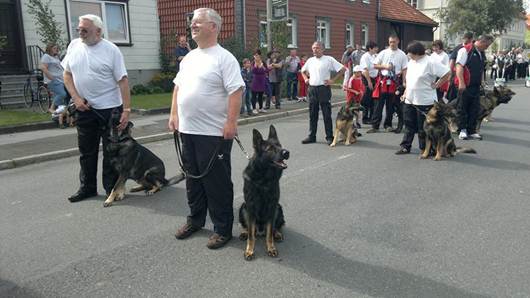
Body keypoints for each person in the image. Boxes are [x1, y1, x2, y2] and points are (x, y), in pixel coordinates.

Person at [168, 8, 244, 249]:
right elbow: (178, 87)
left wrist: (231, 122)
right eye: (192, 22)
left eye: (198, 22)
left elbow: (236, 91)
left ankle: (223, 229)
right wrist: (173, 114)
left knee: (216, 182)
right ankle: (196, 219)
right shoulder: (190, 58)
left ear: (213, 27)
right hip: (187, 130)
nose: (193, 25)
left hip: (213, 133)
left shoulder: (224, 58)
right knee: (193, 179)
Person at [62, 14, 130, 202]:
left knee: (111, 152)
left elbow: (123, 81)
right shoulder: (74, 46)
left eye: (85, 30)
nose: (81, 33)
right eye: (79, 29)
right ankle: (87, 188)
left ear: (98, 31)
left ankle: (112, 189)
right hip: (85, 109)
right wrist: (76, 98)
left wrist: (126, 110)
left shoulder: (111, 50)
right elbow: (67, 75)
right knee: (86, 152)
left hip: (110, 110)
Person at [395, 41, 450, 155]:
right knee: (408, 124)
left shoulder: (431, 61)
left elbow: (447, 73)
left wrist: (437, 84)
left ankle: (425, 148)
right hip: (410, 99)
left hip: (425, 100)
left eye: (410, 53)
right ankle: (405, 146)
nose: (409, 56)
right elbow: (409, 79)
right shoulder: (411, 62)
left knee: (422, 127)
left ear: (418, 53)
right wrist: (405, 92)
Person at [301, 41, 347, 145]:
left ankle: (329, 136)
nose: (315, 50)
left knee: (326, 114)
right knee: (313, 114)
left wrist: (333, 80)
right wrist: (305, 79)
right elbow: (302, 71)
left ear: (322, 49)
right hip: (312, 89)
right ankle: (312, 136)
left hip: (324, 89)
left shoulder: (328, 59)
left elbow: (343, 69)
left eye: (317, 48)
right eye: (313, 48)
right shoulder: (310, 60)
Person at [455, 34, 494, 141]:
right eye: (487, 45)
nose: (487, 47)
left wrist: (482, 81)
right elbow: (459, 67)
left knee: (474, 108)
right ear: (481, 42)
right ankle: (462, 130)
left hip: (476, 85)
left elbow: (481, 69)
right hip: (465, 85)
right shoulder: (465, 50)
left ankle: (471, 130)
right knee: (462, 108)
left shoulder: (481, 53)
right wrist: (461, 83)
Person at [368, 35, 408, 134]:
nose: (392, 44)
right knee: (378, 104)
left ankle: (388, 125)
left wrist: (404, 82)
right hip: (383, 80)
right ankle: (375, 125)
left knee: (391, 105)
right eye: (390, 42)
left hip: (395, 81)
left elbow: (404, 69)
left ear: (398, 41)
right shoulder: (383, 53)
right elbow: (375, 65)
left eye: (394, 42)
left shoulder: (402, 54)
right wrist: (385, 66)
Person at [40, 43, 68, 113]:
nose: (56, 50)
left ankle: (57, 109)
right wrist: (50, 77)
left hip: (61, 79)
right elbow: (43, 68)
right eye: (54, 48)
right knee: (62, 94)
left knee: (58, 94)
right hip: (53, 79)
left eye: (57, 48)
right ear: (50, 49)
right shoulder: (46, 56)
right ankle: (52, 108)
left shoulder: (55, 57)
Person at [359, 41, 379, 124]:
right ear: (370, 48)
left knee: (373, 99)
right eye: (375, 47)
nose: (376, 49)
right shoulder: (365, 57)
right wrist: (369, 82)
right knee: (366, 99)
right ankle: (365, 117)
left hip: (375, 78)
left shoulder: (375, 56)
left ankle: (372, 116)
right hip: (367, 78)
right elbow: (365, 70)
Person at [250, 49, 268, 114]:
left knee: (261, 95)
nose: (256, 56)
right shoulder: (253, 63)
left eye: (257, 55)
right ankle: (254, 108)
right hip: (255, 80)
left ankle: (261, 108)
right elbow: (253, 71)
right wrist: (256, 65)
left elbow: (266, 70)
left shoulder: (263, 62)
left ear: (260, 55)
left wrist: (263, 67)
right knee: (254, 95)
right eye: (255, 55)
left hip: (262, 80)